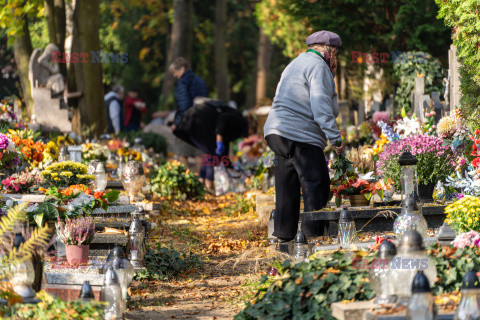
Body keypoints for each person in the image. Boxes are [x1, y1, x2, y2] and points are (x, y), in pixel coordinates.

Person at [263, 30, 345, 242]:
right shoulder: (318, 67)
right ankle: (313, 238)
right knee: (316, 183)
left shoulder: (297, 63)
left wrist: (331, 74)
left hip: (276, 131)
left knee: (287, 182)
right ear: (331, 51)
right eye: (336, 53)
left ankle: (284, 236)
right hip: (300, 134)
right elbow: (322, 107)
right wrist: (335, 138)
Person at [174, 97, 248, 192]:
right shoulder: (239, 118)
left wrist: (231, 168)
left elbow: (224, 155)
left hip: (191, 118)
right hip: (199, 119)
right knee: (212, 155)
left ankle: (202, 184)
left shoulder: (231, 127)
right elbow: (222, 118)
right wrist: (219, 139)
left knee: (209, 154)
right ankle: (208, 185)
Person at [169, 57, 208, 169]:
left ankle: (188, 182)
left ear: (182, 69)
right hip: (201, 121)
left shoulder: (182, 83)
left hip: (186, 122)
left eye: (175, 72)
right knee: (199, 153)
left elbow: (184, 106)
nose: (174, 75)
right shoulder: (200, 81)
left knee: (182, 153)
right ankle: (201, 182)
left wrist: (176, 123)